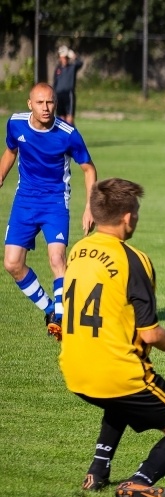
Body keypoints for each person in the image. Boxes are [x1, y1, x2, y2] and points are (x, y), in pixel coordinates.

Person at [58, 178, 165, 497]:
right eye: (137, 212)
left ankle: (97, 472)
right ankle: (139, 483)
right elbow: (151, 334)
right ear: (128, 217)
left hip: (74, 370)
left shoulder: (78, 250)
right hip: (118, 373)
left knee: (119, 401)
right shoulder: (133, 260)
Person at [0, 82, 97, 340]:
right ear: (30, 104)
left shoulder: (67, 133)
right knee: (12, 263)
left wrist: (90, 207)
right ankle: (51, 309)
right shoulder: (16, 124)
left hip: (55, 203)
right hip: (25, 201)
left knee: (57, 260)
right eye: (41, 103)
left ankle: (63, 321)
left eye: (51, 102)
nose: (46, 108)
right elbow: (11, 150)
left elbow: (88, 168)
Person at [53, 46, 83, 125]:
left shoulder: (72, 67)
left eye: (66, 57)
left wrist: (73, 56)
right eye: (62, 57)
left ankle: (73, 136)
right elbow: (55, 82)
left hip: (68, 95)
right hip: (59, 95)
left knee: (69, 121)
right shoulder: (58, 69)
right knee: (61, 120)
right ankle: (63, 137)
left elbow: (80, 63)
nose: (64, 59)